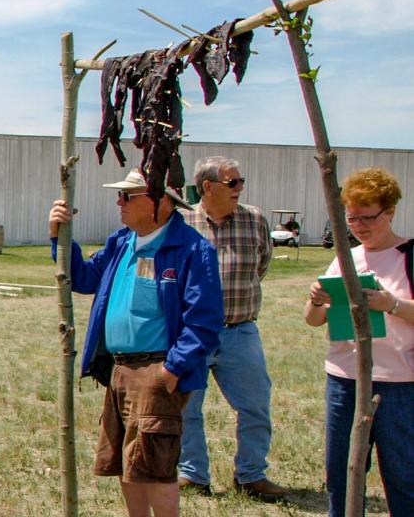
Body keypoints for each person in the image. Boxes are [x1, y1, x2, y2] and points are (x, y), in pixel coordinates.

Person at [49, 169, 223, 517]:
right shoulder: (122, 241)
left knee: (155, 467)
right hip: (121, 370)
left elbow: (205, 319)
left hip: (156, 370)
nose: (119, 202)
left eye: (128, 196)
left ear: (160, 202)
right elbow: (82, 278)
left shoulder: (191, 248)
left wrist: (171, 370)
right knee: (128, 463)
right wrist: (59, 237)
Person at [302, 167, 413, 516]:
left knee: (403, 476)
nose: (359, 226)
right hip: (344, 378)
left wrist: (390, 304)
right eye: (351, 218)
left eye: (368, 218)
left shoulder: (408, 257)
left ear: (390, 213)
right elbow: (313, 320)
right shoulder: (344, 259)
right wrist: (317, 298)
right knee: (342, 473)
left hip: (398, 384)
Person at [176, 157, 288, 500]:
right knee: (187, 408)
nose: (240, 188)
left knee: (255, 406)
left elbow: (261, 265)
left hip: (240, 332)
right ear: (207, 187)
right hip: (192, 334)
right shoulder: (181, 222)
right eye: (233, 182)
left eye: (241, 181)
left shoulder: (254, 220)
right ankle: (193, 474)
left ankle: (251, 475)